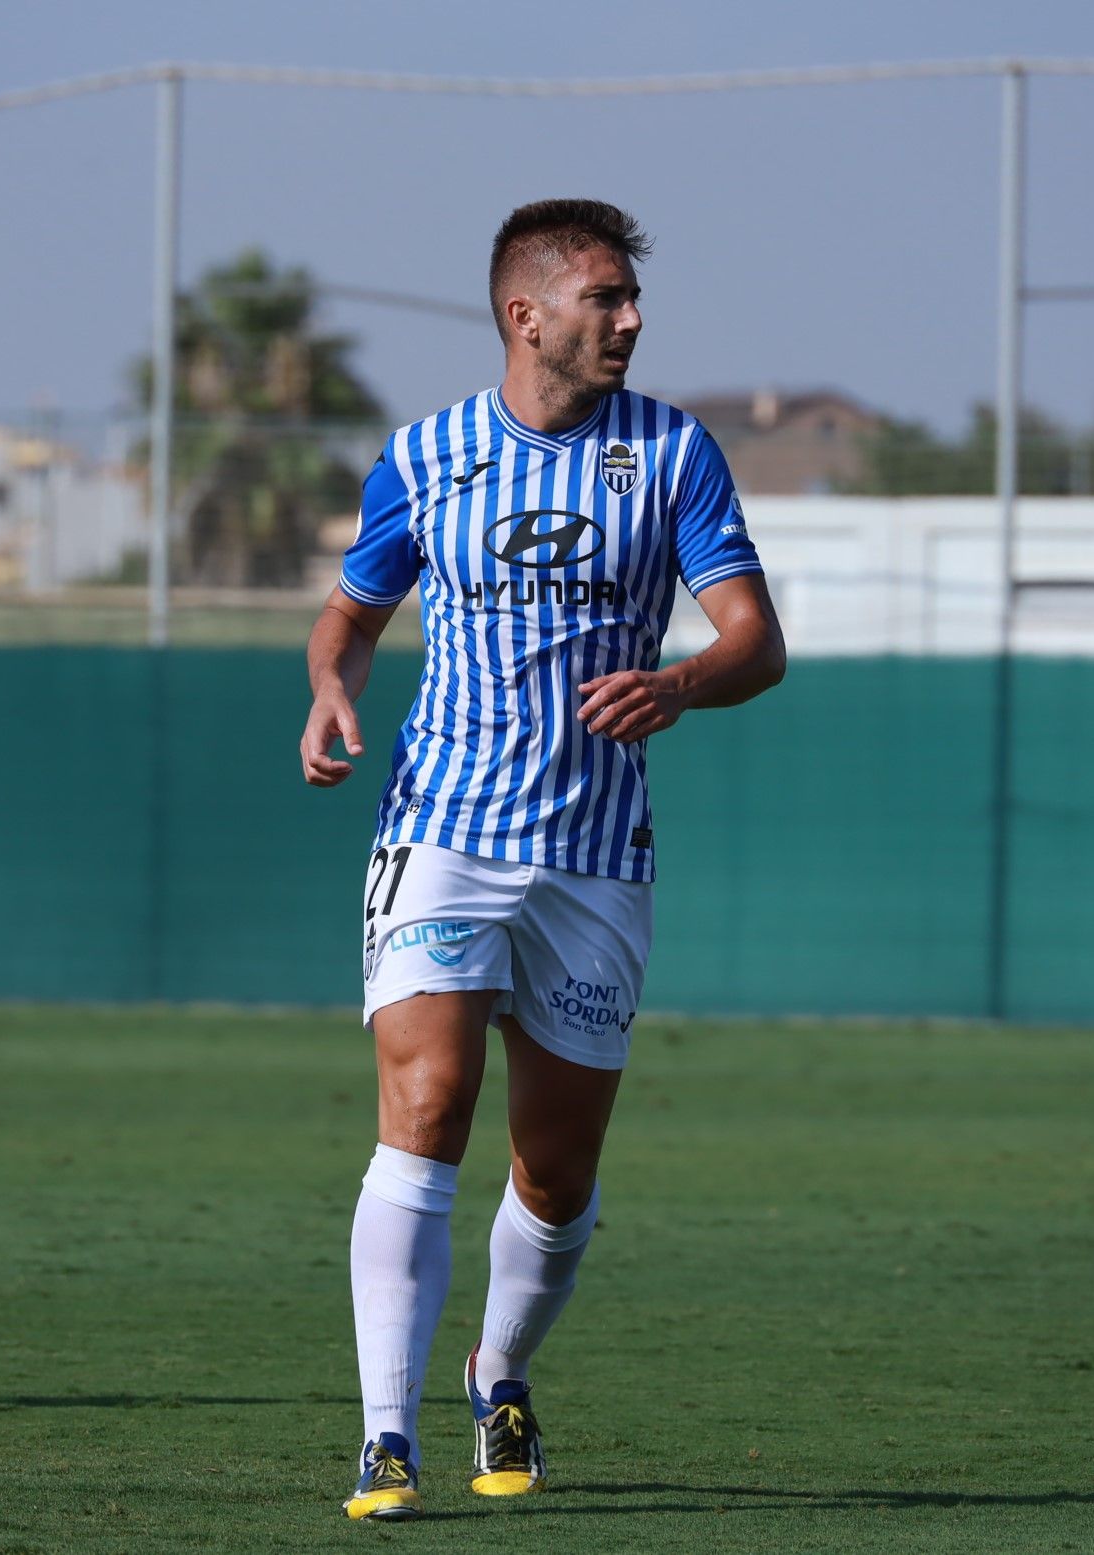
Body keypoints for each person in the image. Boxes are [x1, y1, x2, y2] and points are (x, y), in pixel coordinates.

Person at [299, 198, 786, 1521]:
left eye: (632, 301)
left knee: (555, 1174)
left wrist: (680, 684)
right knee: (427, 1097)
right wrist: (330, 689)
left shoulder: (671, 453)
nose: (630, 320)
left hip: (592, 857)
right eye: (605, 298)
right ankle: (385, 1433)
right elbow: (347, 615)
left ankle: (496, 1368)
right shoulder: (426, 455)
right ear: (527, 313)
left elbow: (755, 639)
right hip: (443, 830)